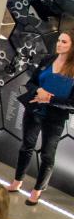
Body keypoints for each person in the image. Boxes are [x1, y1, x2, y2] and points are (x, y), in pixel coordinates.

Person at [9, 30, 74, 204]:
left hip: (55, 118)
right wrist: (38, 90)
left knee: (47, 154)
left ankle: (38, 189)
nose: (59, 44)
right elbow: (31, 83)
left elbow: (73, 103)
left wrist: (50, 99)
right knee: (26, 146)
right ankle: (17, 181)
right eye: (59, 40)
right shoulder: (47, 60)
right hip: (34, 110)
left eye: (64, 42)